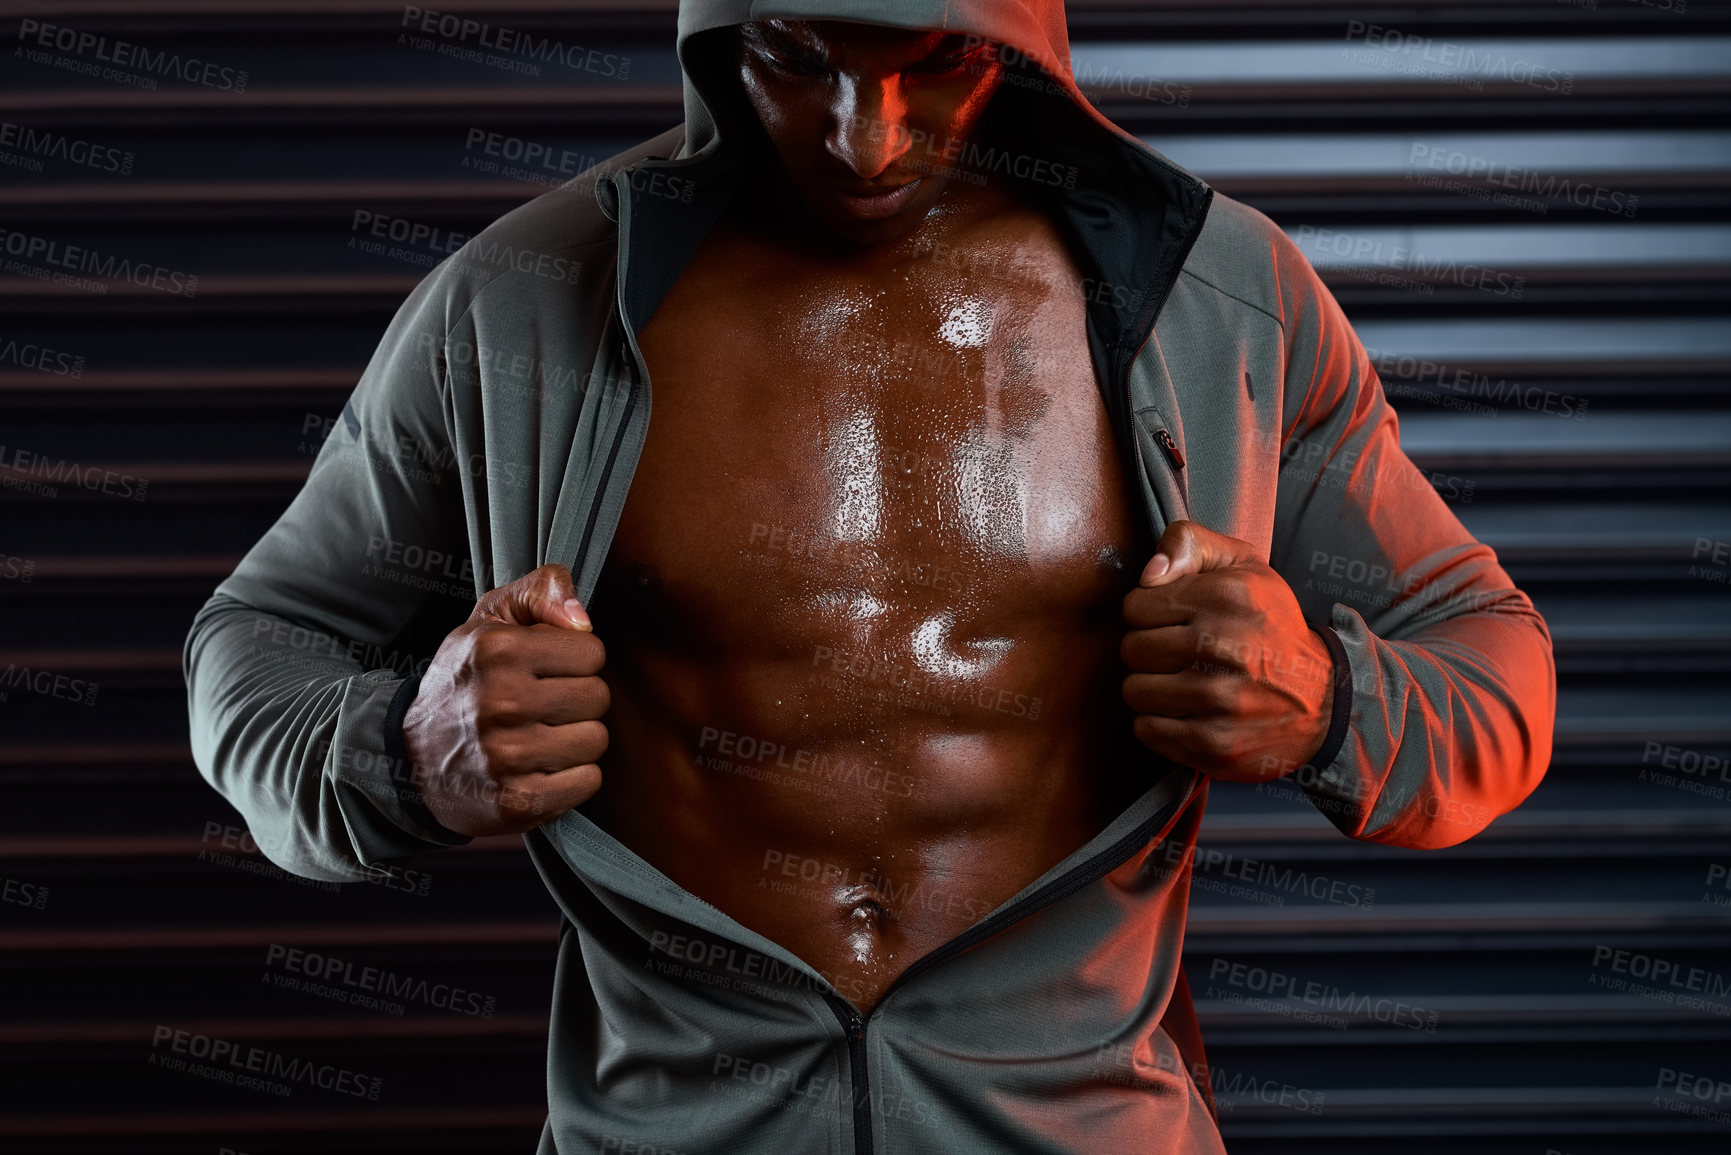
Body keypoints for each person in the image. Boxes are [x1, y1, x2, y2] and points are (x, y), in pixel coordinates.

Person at [184, 1, 1557, 1150]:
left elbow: (1492, 664)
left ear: (1018, 45)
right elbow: (256, 642)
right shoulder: (525, 303)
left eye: (934, 65)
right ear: (720, 41)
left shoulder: (1215, 303)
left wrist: (1329, 708)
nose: (865, 137)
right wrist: (403, 750)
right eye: (799, 57)